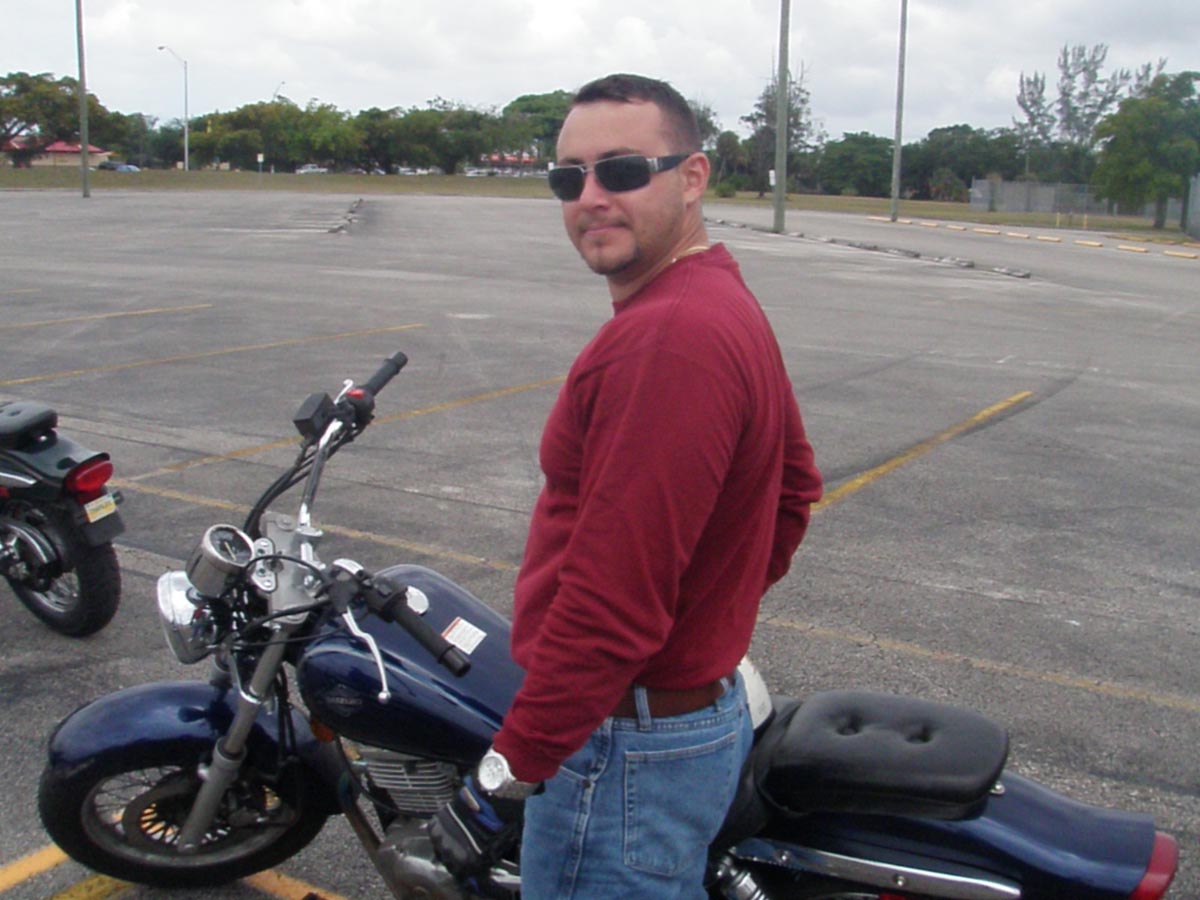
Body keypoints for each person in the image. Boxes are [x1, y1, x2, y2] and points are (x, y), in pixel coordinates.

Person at [430, 73, 823, 899]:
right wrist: (701, 621)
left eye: (621, 170)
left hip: (620, 747)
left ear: (692, 177)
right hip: (676, 725)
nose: (591, 198)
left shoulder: (667, 339)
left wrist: (507, 771)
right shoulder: (714, 295)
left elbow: (610, 602)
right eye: (568, 178)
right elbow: (793, 491)